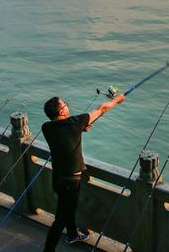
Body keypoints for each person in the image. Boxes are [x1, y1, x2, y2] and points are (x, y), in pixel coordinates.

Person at [41, 93, 125, 251]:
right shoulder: (75, 123)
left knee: (68, 209)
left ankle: (73, 234)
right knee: (60, 220)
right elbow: (102, 109)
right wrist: (117, 100)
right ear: (61, 112)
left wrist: (79, 130)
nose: (67, 105)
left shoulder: (46, 127)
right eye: (65, 104)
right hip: (70, 181)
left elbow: (64, 134)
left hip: (57, 178)